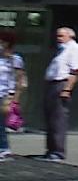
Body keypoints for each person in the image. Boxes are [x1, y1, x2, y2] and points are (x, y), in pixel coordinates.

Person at [40, 27, 78, 161]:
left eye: (61, 36)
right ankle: (50, 150)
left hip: (61, 84)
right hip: (51, 84)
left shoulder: (76, 49)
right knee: (49, 118)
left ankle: (58, 152)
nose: (58, 38)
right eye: (57, 36)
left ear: (70, 36)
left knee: (58, 119)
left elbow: (75, 71)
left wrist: (67, 89)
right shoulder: (61, 50)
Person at [0, 31, 25, 161]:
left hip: (5, 95)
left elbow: (20, 80)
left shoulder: (15, 59)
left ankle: (4, 149)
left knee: (0, 124)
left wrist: (14, 98)